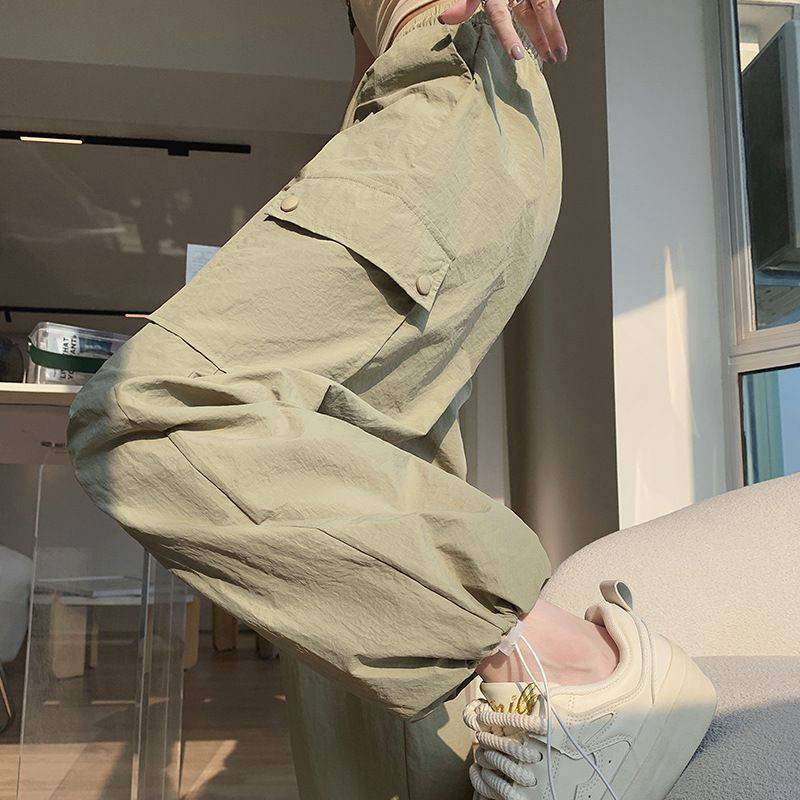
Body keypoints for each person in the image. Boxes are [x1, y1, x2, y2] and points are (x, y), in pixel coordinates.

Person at [66, 1, 717, 798]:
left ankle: (574, 663)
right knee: (349, 583)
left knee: (145, 409)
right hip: (421, 125)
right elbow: (369, 56)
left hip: (446, 107)